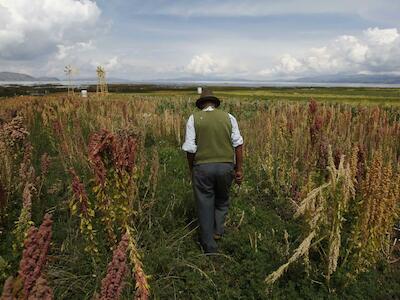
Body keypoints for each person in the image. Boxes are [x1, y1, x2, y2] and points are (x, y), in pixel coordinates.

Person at [182, 88, 244, 254]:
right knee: (222, 200)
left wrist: (192, 169)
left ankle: (209, 247)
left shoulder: (194, 118)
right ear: (215, 104)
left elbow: (190, 149)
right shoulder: (229, 117)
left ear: (201, 104)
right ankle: (218, 231)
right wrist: (238, 169)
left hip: (202, 167)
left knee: (204, 204)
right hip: (225, 166)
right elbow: (238, 144)